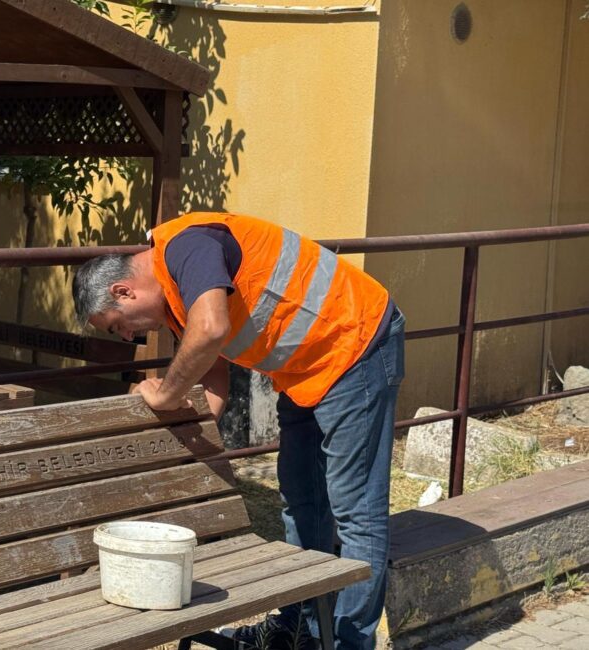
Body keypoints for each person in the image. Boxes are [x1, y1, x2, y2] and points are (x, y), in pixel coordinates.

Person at [72, 212, 405, 650]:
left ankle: (347, 643)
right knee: (302, 501)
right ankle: (297, 629)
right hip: (304, 368)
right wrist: (187, 438)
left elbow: (211, 329)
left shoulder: (188, 248)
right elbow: (215, 381)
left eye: (118, 325)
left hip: (354, 345)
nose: (129, 336)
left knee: (355, 512)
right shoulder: (175, 296)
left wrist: (165, 395)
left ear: (124, 291)